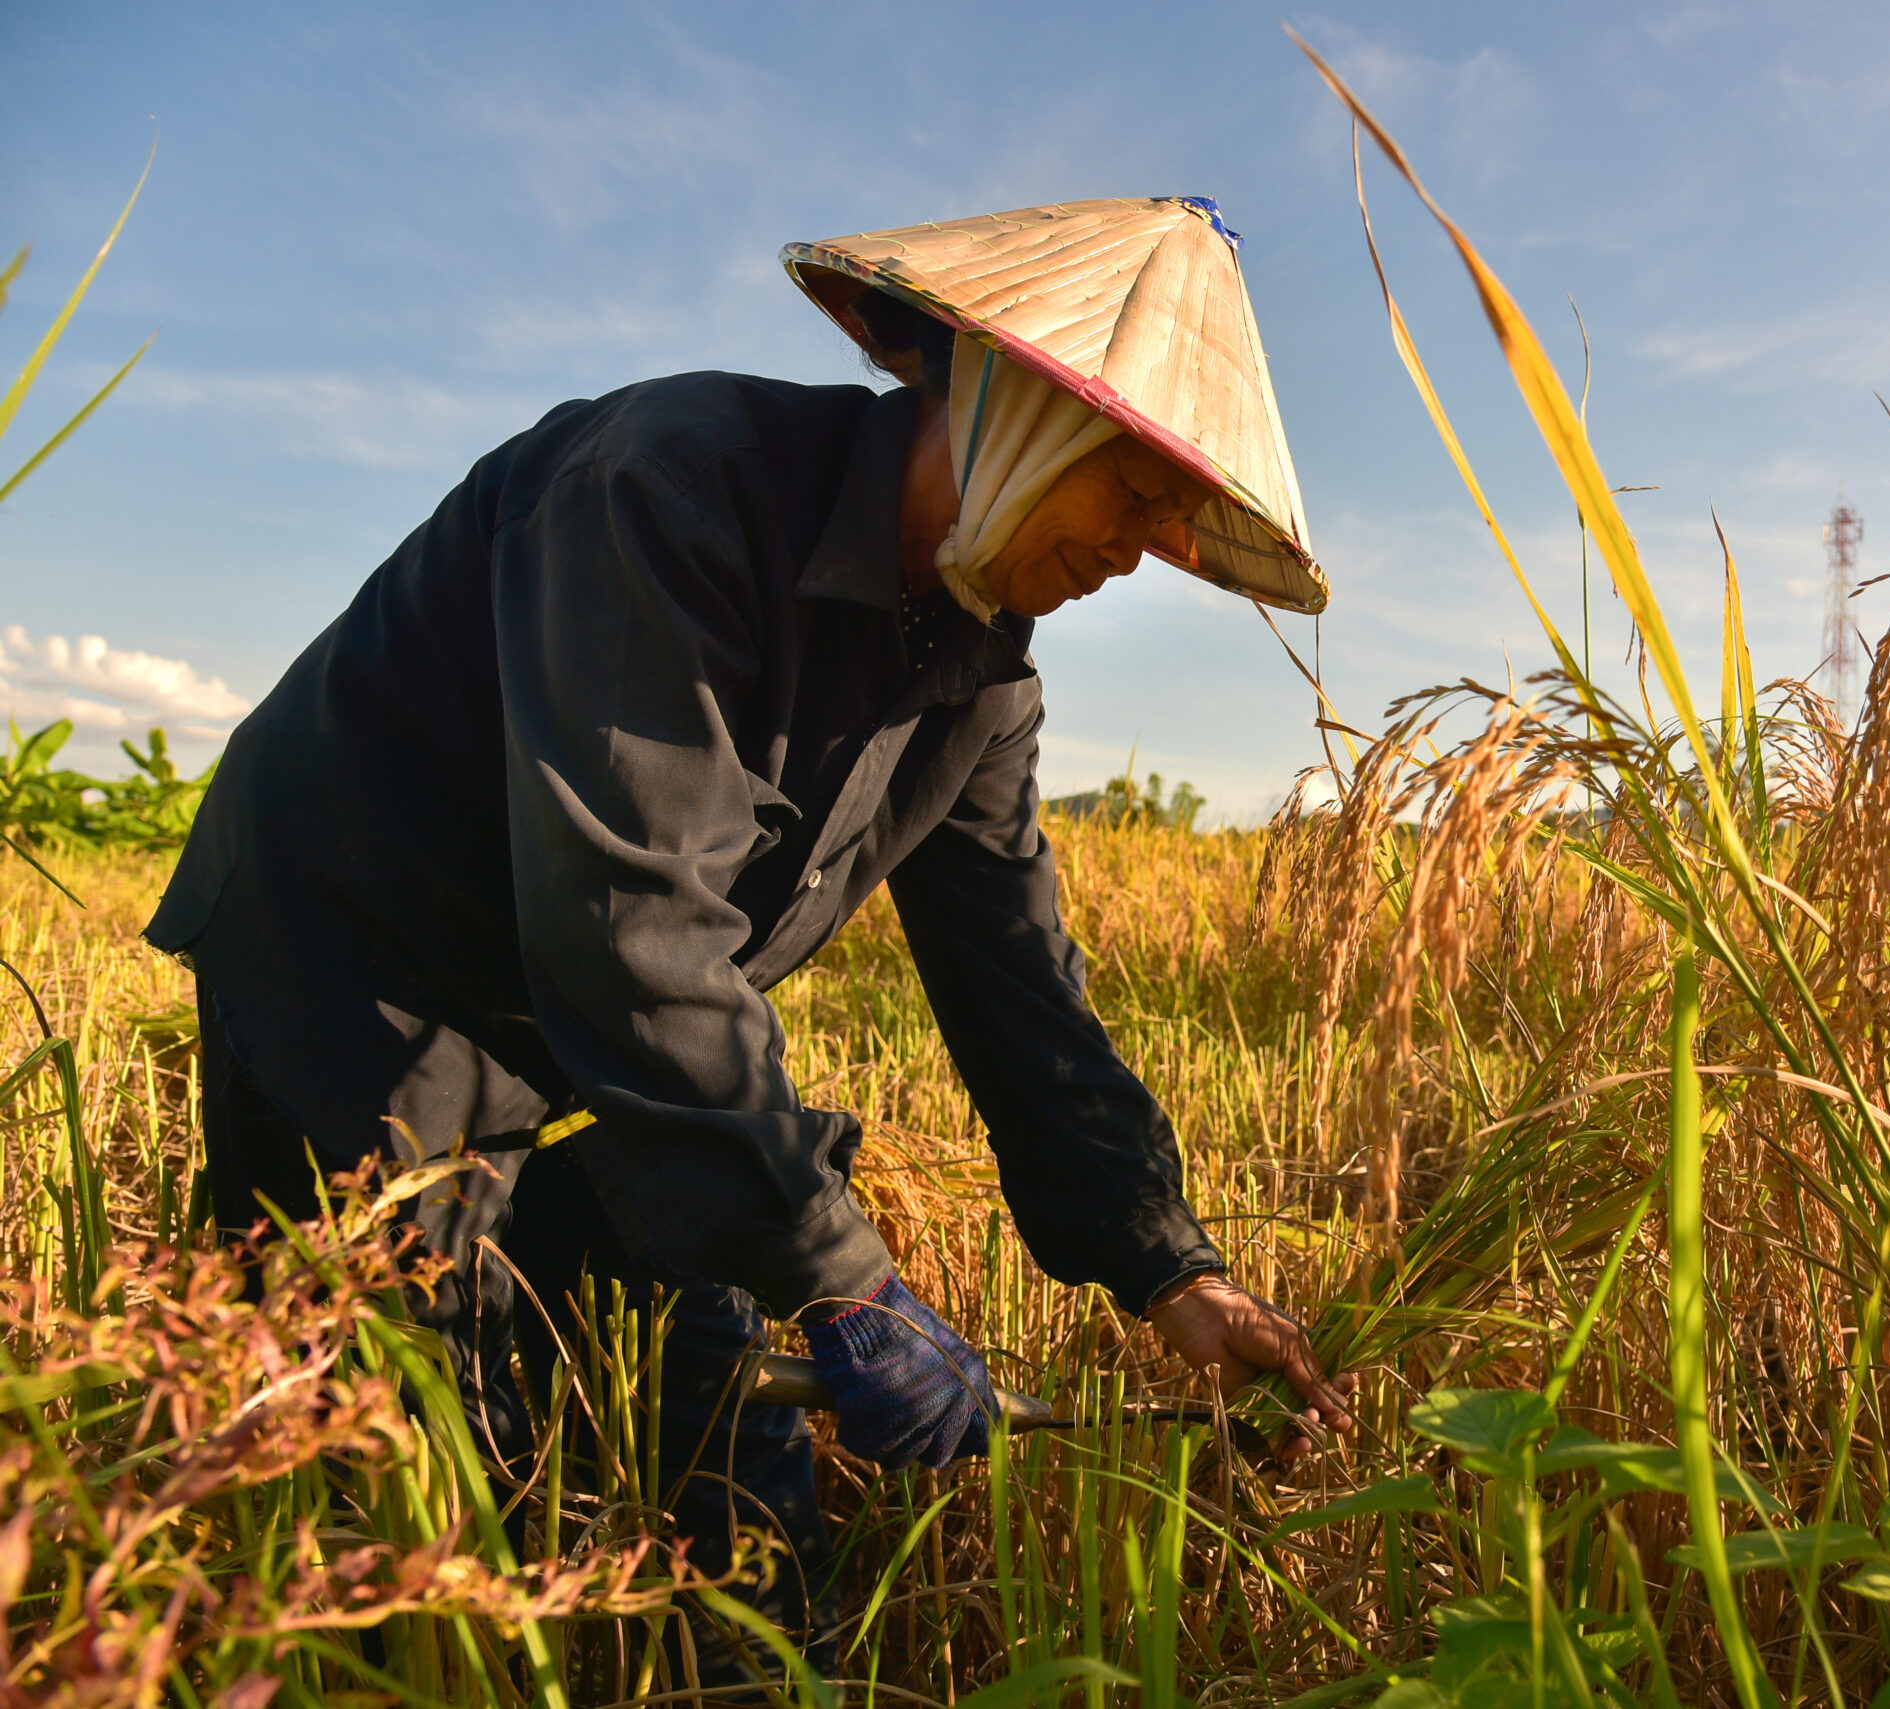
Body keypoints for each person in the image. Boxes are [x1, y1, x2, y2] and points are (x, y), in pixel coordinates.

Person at [145, 196, 1352, 1670]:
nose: (1146, 548)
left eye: (1176, 517)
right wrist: (846, 1275)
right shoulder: (671, 492)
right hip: (369, 962)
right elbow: (631, 926)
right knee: (420, 1464)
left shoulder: (982, 679)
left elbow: (1018, 982)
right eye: (1137, 488)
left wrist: (1173, 1269)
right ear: (1020, 408)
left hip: (598, 1035)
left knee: (727, 1463)